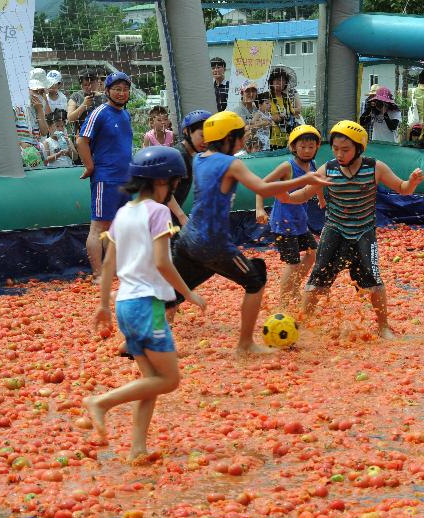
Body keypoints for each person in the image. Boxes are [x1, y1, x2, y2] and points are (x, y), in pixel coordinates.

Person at [169, 111, 331, 356]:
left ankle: (142, 340)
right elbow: (262, 187)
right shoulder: (230, 163)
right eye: (240, 137)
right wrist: (306, 179)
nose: (244, 142)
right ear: (228, 138)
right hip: (213, 243)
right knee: (255, 280)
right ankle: (245, 345)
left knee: (172, 291)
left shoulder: (201, 158)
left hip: (188, 238)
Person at [86, 146, 206, 462]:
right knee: (169, 379)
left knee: (150, 381)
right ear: (163, 182)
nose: (174, 190)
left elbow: (109, 264)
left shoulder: (124, 212)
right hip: (148, 306)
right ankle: (101, 402)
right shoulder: (158, 212)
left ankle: (138, 448)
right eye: (175, 183)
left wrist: (103, 307)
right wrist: (189, 294)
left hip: (125, 305)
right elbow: (163, 262)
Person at [281, 121, 424, 340]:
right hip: (334, 231)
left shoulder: (375, 167)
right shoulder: (328, 169)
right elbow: (303, 194)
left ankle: (383, 327)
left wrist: (412, 182)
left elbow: (403, 189)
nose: (339, 154)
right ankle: (302, 326)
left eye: (345, 150)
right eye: (336, 149)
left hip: (364, 233)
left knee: (374, 282)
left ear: (359, 148)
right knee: (317, 280)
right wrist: (285, 197)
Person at [254, 125, 325, 305]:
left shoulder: (313, 165)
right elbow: (261, 185)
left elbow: (316, 183)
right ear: (293, 147)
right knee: (292, 263)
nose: (307, 151)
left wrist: (321, 199)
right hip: (283, 222)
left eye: (311, 146)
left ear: (317, 146)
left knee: (312, 254)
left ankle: (293, 288)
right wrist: (259, 209)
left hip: (300, 221)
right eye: (303, 147)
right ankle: (284, 301)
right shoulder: (288, 166)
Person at [78, 72, 135, 283]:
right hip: (106, 178)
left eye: (125, 89)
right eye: (117, 89)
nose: (121, 93)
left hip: (125, 178)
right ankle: (98, 274)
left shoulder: (125, 114)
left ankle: (116, 271)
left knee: (119, 226)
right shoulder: (99, 113)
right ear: (107, 91)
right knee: (98, 226)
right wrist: (90, 167)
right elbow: (81, 140)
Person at [15, 68, 52, 168]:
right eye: (35, 91)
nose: (38, 95)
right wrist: (20, 143)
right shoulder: (17, 107)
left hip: (35, 153)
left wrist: (39, 110)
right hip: (18, 153)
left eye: (41, 92)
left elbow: (44, 132)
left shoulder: (39, 107)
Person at [268, 66, 302, 150]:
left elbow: (292, 112)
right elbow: (262, 115)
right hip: (271, 139)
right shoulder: (267, 97)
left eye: (283, 80)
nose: (281, 83)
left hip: (286, 138)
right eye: (278, 80)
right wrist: (273, 118)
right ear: (272, 81)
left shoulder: (285, 97)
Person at [67, 68, 107, 138]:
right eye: (86, 84)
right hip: (81, 136)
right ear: (81, 85)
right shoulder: (76, 96)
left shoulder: (104, 98)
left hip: (100, 136)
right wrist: (83, 106)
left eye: (92, 83)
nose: (89, 87)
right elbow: (70, 118)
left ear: (97, 82)